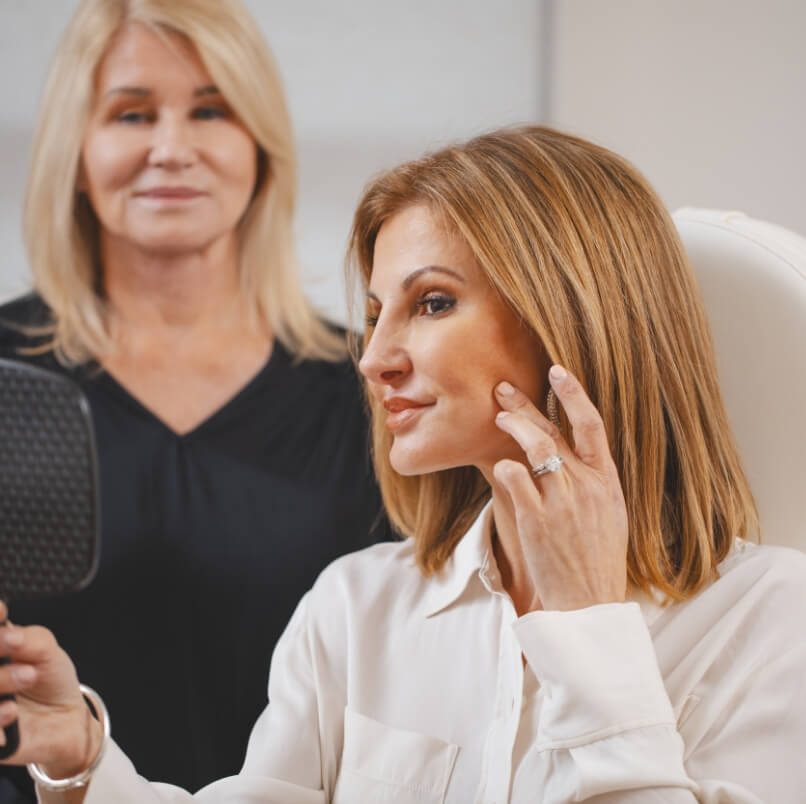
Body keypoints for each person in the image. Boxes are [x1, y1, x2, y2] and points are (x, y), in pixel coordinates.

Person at [3, 126, 806, 802]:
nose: (374, 357)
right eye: (378, 313)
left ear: (572, 317)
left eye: (431, 303)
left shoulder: (776, 626)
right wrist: (80, 758)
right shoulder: (356, 609)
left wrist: (587, 630)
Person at [0, 0, 388, 800]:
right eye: (131, 113)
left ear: (261, 148)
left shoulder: (375, 388)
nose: (171, 149)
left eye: (211, 110)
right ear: (76, 149)